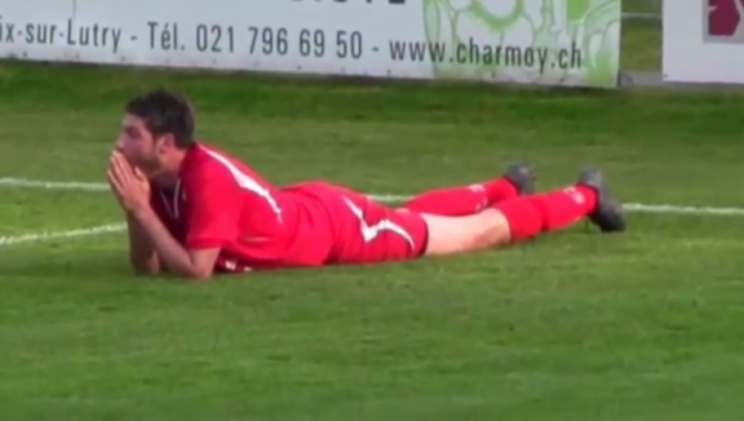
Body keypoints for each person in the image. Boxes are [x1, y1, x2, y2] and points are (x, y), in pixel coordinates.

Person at [107, 89, 625, 280]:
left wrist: (143, 210)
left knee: (472, 235)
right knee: (410, 218)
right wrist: (137, 210)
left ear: (166, 143)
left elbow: (196, 272)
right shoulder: (163, 177)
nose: (120, 142)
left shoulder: (208, 178)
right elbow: (147, 267)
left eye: (132, 134)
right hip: (315, 213)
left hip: (335, 232)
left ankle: (586, 195)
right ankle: (504, 184)